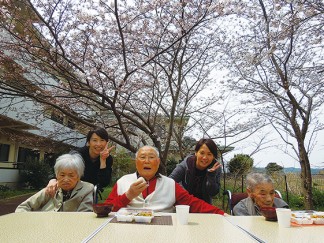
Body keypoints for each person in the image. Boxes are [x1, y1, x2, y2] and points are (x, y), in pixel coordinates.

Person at [104, 145, 225, 215]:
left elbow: (193, 203)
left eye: (151, 157)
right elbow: (106, 209)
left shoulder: (170, 184)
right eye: (142, 157)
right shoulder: (123, 181)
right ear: (136, 163)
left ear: (158, 162)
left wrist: (220, 213)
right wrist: (128, 195)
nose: (147, 161)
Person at [46, 127, 114, 196]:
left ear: (106, 142)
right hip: (71, 190)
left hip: (90, 193)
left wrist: (103, 161)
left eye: (102, 140)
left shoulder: (108, 159)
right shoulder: (77, 155)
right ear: (88, 142)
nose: (98, 144)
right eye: (95, 140)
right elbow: (63, 169)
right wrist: (53, 180)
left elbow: (104, 183)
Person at [15, 153, 94, 212]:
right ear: (56, 175)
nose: (66, 179)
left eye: (71, 175)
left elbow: (84, 215)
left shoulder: (87, 189)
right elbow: (23, 207)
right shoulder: (52, 187)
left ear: (78, 176)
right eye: (62, 175)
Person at [169, 138, 221, 204]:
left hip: (204, 206)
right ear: (196, 153)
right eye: (202, 153)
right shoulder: (186, 164)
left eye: (209, 154)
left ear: (213, 156)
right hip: (185, 205)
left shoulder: (216, 168)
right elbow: (169, 182)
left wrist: (211, 176)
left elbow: (213, 193)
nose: (205, 157)